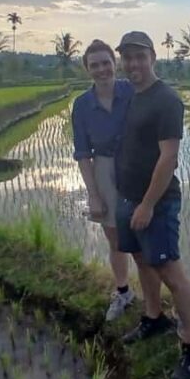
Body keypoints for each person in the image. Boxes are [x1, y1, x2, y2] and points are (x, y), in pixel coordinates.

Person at [114, 30, 190, 379]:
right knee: (141, 258)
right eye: (128, 57)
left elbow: (169, 157)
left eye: (140, 56)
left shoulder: (167, 100)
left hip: (157, 201)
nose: (133, 63)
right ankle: (154, 318)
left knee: (171, 271)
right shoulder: (131, 96)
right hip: (127, 197)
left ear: (153, 57)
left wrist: (148, 205)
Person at [72, 39, 136, 321]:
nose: (101, 70)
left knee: (145, 235)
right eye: (94, 65)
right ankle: (123, 292)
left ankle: (155, 300)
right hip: (104, 168)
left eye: (106, 63)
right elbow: (83, 153)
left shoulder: (132, 91)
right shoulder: (83, 105)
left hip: (136, 166)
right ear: (87, 69)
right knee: (115, 239)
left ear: (115, 64)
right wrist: (93, 194)